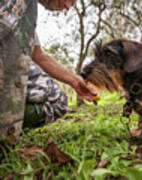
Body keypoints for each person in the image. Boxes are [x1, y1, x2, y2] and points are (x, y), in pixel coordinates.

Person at [0, 0, 96, 143]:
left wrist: (75, 81)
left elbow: (38, 56)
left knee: (58, 100)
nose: (67, 7)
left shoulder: (27, 16)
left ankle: (10, 128)